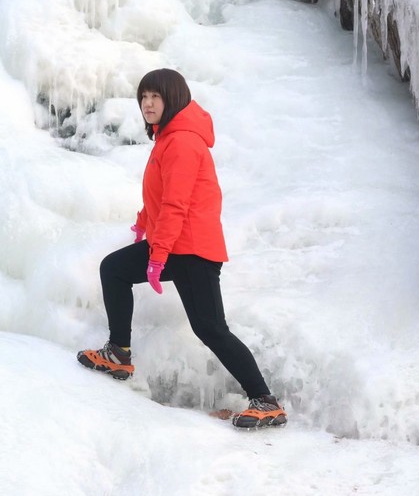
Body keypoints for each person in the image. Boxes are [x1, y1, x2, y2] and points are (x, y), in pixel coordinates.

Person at [77, 68, 287, 429]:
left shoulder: (183, 142)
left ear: (172, 98)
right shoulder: (169, 139)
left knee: (211, 328)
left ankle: (265, 401)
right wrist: (144, 222)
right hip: (177, 245)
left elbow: (177, 204)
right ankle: (119, 353)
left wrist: (157, 257)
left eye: (155, 97)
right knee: (114, 269)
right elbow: (161, 195)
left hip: (191, 250)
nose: (147, 103)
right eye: (143, 97)